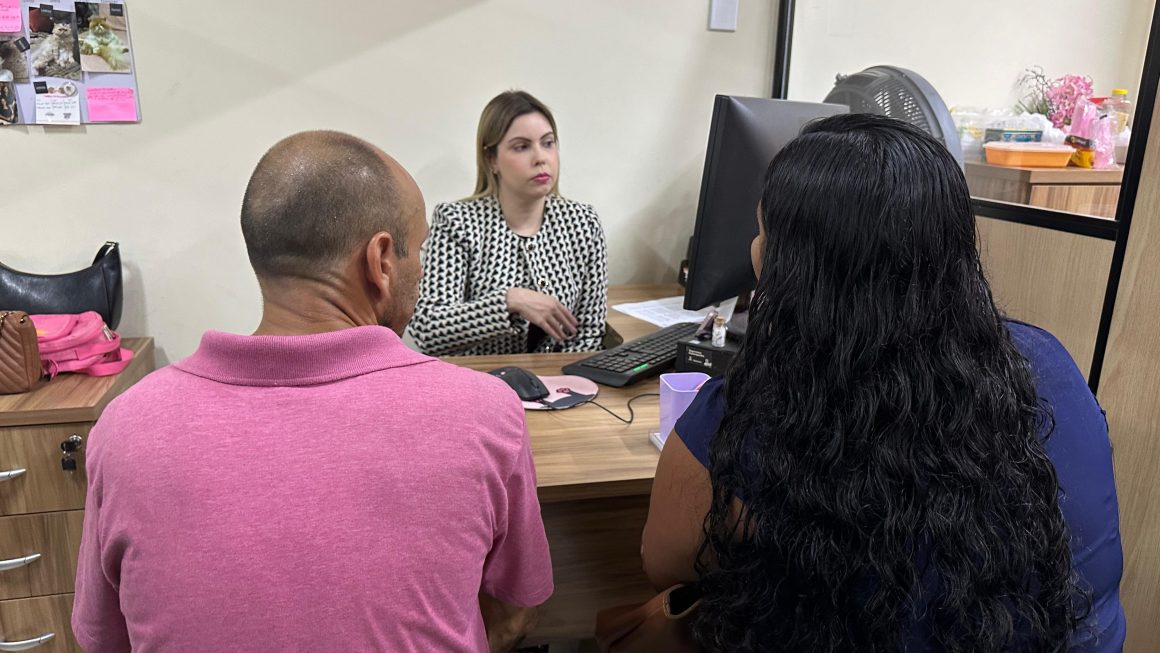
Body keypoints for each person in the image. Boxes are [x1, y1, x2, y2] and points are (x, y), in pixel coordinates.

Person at [641, 114, 1125, 651]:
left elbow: (664, 562)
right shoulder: (1048, 362)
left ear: (801, 270)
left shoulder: (758, 410)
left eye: (763, 232)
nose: (755, 250)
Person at [71, 131, 553, 653]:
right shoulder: (483, 412)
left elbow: (105, 639)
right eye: (420, 248)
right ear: (382, 260)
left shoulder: (125, 427)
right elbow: (517, 607)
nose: (420, 267)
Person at [408, 90, 608, 356]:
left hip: (563, 387)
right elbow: (427, 330)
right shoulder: (457, 221)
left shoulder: (583, 223)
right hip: (479, 383)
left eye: (548, 143)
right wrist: (509, 301)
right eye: (522, 146)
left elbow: (590, 331)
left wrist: (561, 385)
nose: (541, 158)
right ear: (492, 159)